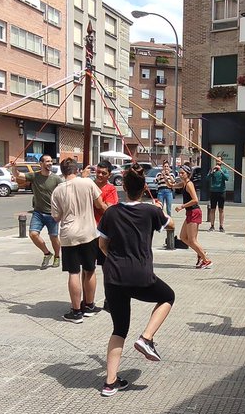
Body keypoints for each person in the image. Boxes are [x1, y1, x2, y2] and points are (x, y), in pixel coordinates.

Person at [97, 167, 176, 397]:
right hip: (140, 274)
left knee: (119, 328)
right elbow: (170, 226)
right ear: (144, 188)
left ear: (123, 188)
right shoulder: (150, 212)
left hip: (114, 276)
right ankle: (146, 338)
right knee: (167, 296)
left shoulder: (111, 213)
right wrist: (162, 211)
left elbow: (102, 245)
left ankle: (110, 383)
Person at [52, 158, 108, 323]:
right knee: (90, 269)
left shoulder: (58, 190)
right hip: (89, 232)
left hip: (69, 234)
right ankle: (89, 305)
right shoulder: (88, 183)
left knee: (73, 272)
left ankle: (76, 311)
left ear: (62, 172)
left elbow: (56, 217)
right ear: (76, 170)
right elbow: (99, 205)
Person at [9, 155, 62, 269]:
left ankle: (57, 256)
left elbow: (64, 193)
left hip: (52, 214)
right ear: (41, 164)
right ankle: (47, 253)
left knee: (54, 237)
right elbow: (18, 175)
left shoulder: (56, 179)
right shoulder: (34, 176)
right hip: (38, 212)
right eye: (47, 161)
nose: (50, 163)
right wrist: (14, 167)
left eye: (51, 162)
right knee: (33, 234)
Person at [176, 165, 212, 269]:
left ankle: (206, 260)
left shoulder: (189, 184)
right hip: (189, 213)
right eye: (179, 173)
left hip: (194, 212)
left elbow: (195, 200)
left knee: (192, 240)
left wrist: (182, 206)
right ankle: (200, 252)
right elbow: (173, 185)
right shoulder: (183, 184)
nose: (180, 174)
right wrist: (167, 181)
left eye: (182, 173)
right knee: (183, 237)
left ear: (188, 174)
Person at [206, 157, 229, 232]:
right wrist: (212, 171)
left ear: (222, 161)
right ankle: (212, 226)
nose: (218, 161)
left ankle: (221, 226)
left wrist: (221, 171)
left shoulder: (224, 170)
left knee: (221, 209)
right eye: (217, 160)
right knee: (212, 209)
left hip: (221, 191)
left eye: (219, 160)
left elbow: (227, 178)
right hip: (213, 191)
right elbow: (207, 178)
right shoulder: (213, 169)